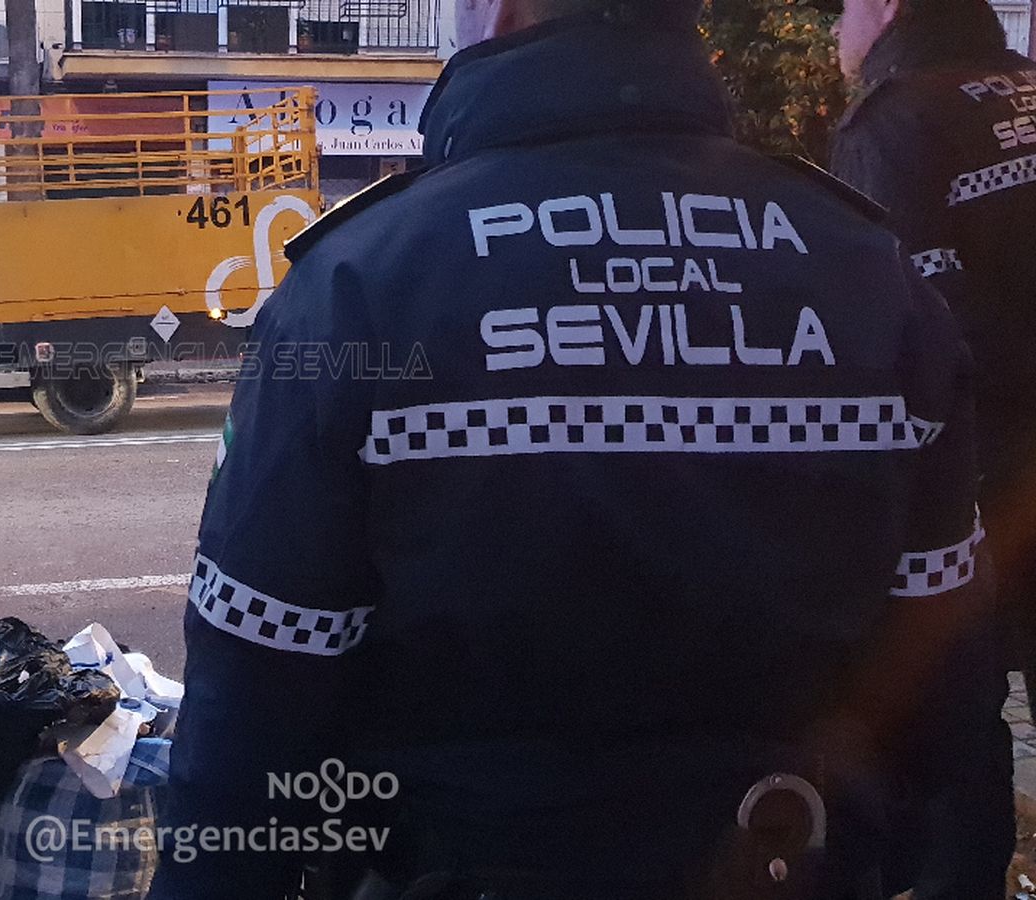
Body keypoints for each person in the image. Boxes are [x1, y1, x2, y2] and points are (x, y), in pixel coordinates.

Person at [147, 0, 988, 897]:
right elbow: (951, 698)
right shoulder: (870, 273)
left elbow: (253, 713)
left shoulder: (360, 286)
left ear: (500, 12)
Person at [824, 0, 1036, 895]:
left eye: (842, 8)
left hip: (986, 487)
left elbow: (914, 337)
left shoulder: (898, 122)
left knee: (958, 731)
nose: (839, 31)